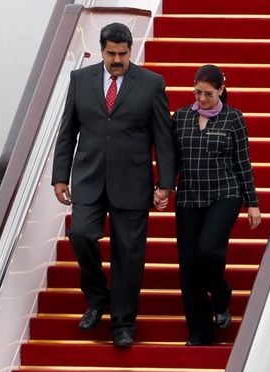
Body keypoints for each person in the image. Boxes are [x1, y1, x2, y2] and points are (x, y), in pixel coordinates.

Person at [51, 23, 175, 349]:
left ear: (130, 50)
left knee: (129, 255)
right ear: (102, 49)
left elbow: (163, 136)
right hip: (88, 178)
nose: (117, 59)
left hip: (132, 182)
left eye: (123, 53)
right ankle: (97, 298)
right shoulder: (80, 80)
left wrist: (165, 182)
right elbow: (67, 131)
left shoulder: (151, 84)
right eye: (111, 53)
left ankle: (123, 324)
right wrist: (60, 175)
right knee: (80, 235)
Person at [166, 64, 261, 346]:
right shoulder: (181, 117)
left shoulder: (233, 118)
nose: (202, 98)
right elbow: (174, 159)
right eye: (197, 92)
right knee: (189, 265)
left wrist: (252, 202)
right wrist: (164, 187)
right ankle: (199, 331)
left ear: (220, 90)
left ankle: (221, 296)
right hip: (189, 196)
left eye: (208, 93)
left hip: (225, 193)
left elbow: (242, 162)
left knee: (208, 251)